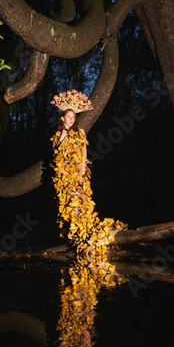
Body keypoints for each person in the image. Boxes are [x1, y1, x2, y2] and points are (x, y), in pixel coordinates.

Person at [50, 89, 126, 255]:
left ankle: (84, 234)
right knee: (67, 203)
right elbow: (55, 153)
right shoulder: (57, 135)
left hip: (77, 171)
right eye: (68, 116)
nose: (71, 119)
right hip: (62, 175)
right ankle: (73, 237)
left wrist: (83, 167)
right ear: (62, 118)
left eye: (73, 117)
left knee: (79, 199)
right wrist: (63, 134)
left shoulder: (80, 132)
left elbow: (84, 150)